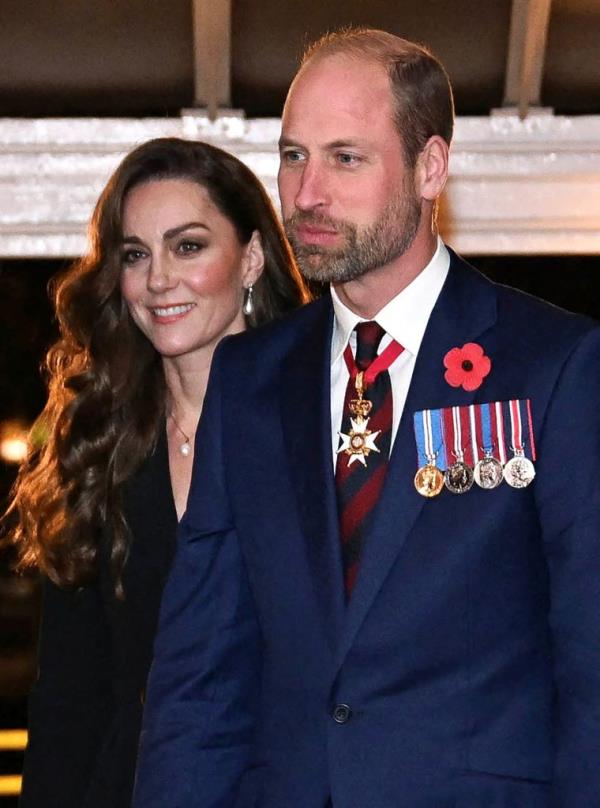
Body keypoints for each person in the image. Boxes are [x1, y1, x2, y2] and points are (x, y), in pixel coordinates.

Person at [133, 30, 600, 807]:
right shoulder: (248, 380)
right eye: (292, 157)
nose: (307, 193)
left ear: (430, 168)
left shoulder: (552, 366)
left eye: (345, 158)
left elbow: (591, 660)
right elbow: (199, 671)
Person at [5, 136, 308, 808]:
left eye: (189, 246)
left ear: (252, 257)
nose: (159, 278)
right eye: (135, 254)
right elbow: (69, 699)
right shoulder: (98, 448)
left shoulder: (323, 436)